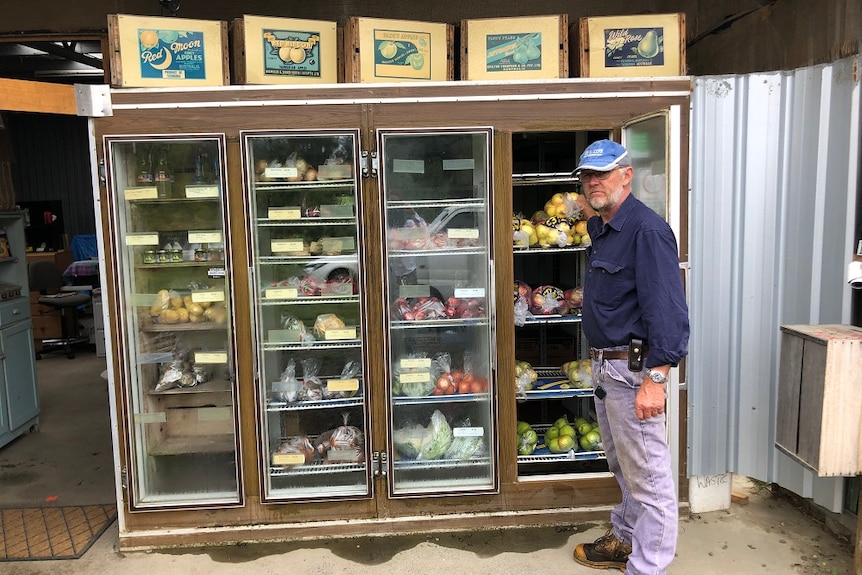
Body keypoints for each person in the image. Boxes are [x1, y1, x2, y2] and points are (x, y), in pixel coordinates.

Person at [571, 139, 690, 575]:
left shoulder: (648, 231)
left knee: (652, 481)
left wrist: (655, 381)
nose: (593, 182)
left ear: (627, 175)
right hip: (608, 368)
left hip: (634, 371)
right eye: (587, 176)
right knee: (624, 466)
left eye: (603, 173)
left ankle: (647, 567)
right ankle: (623, 539)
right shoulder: (604, 227)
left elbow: (670, 315)